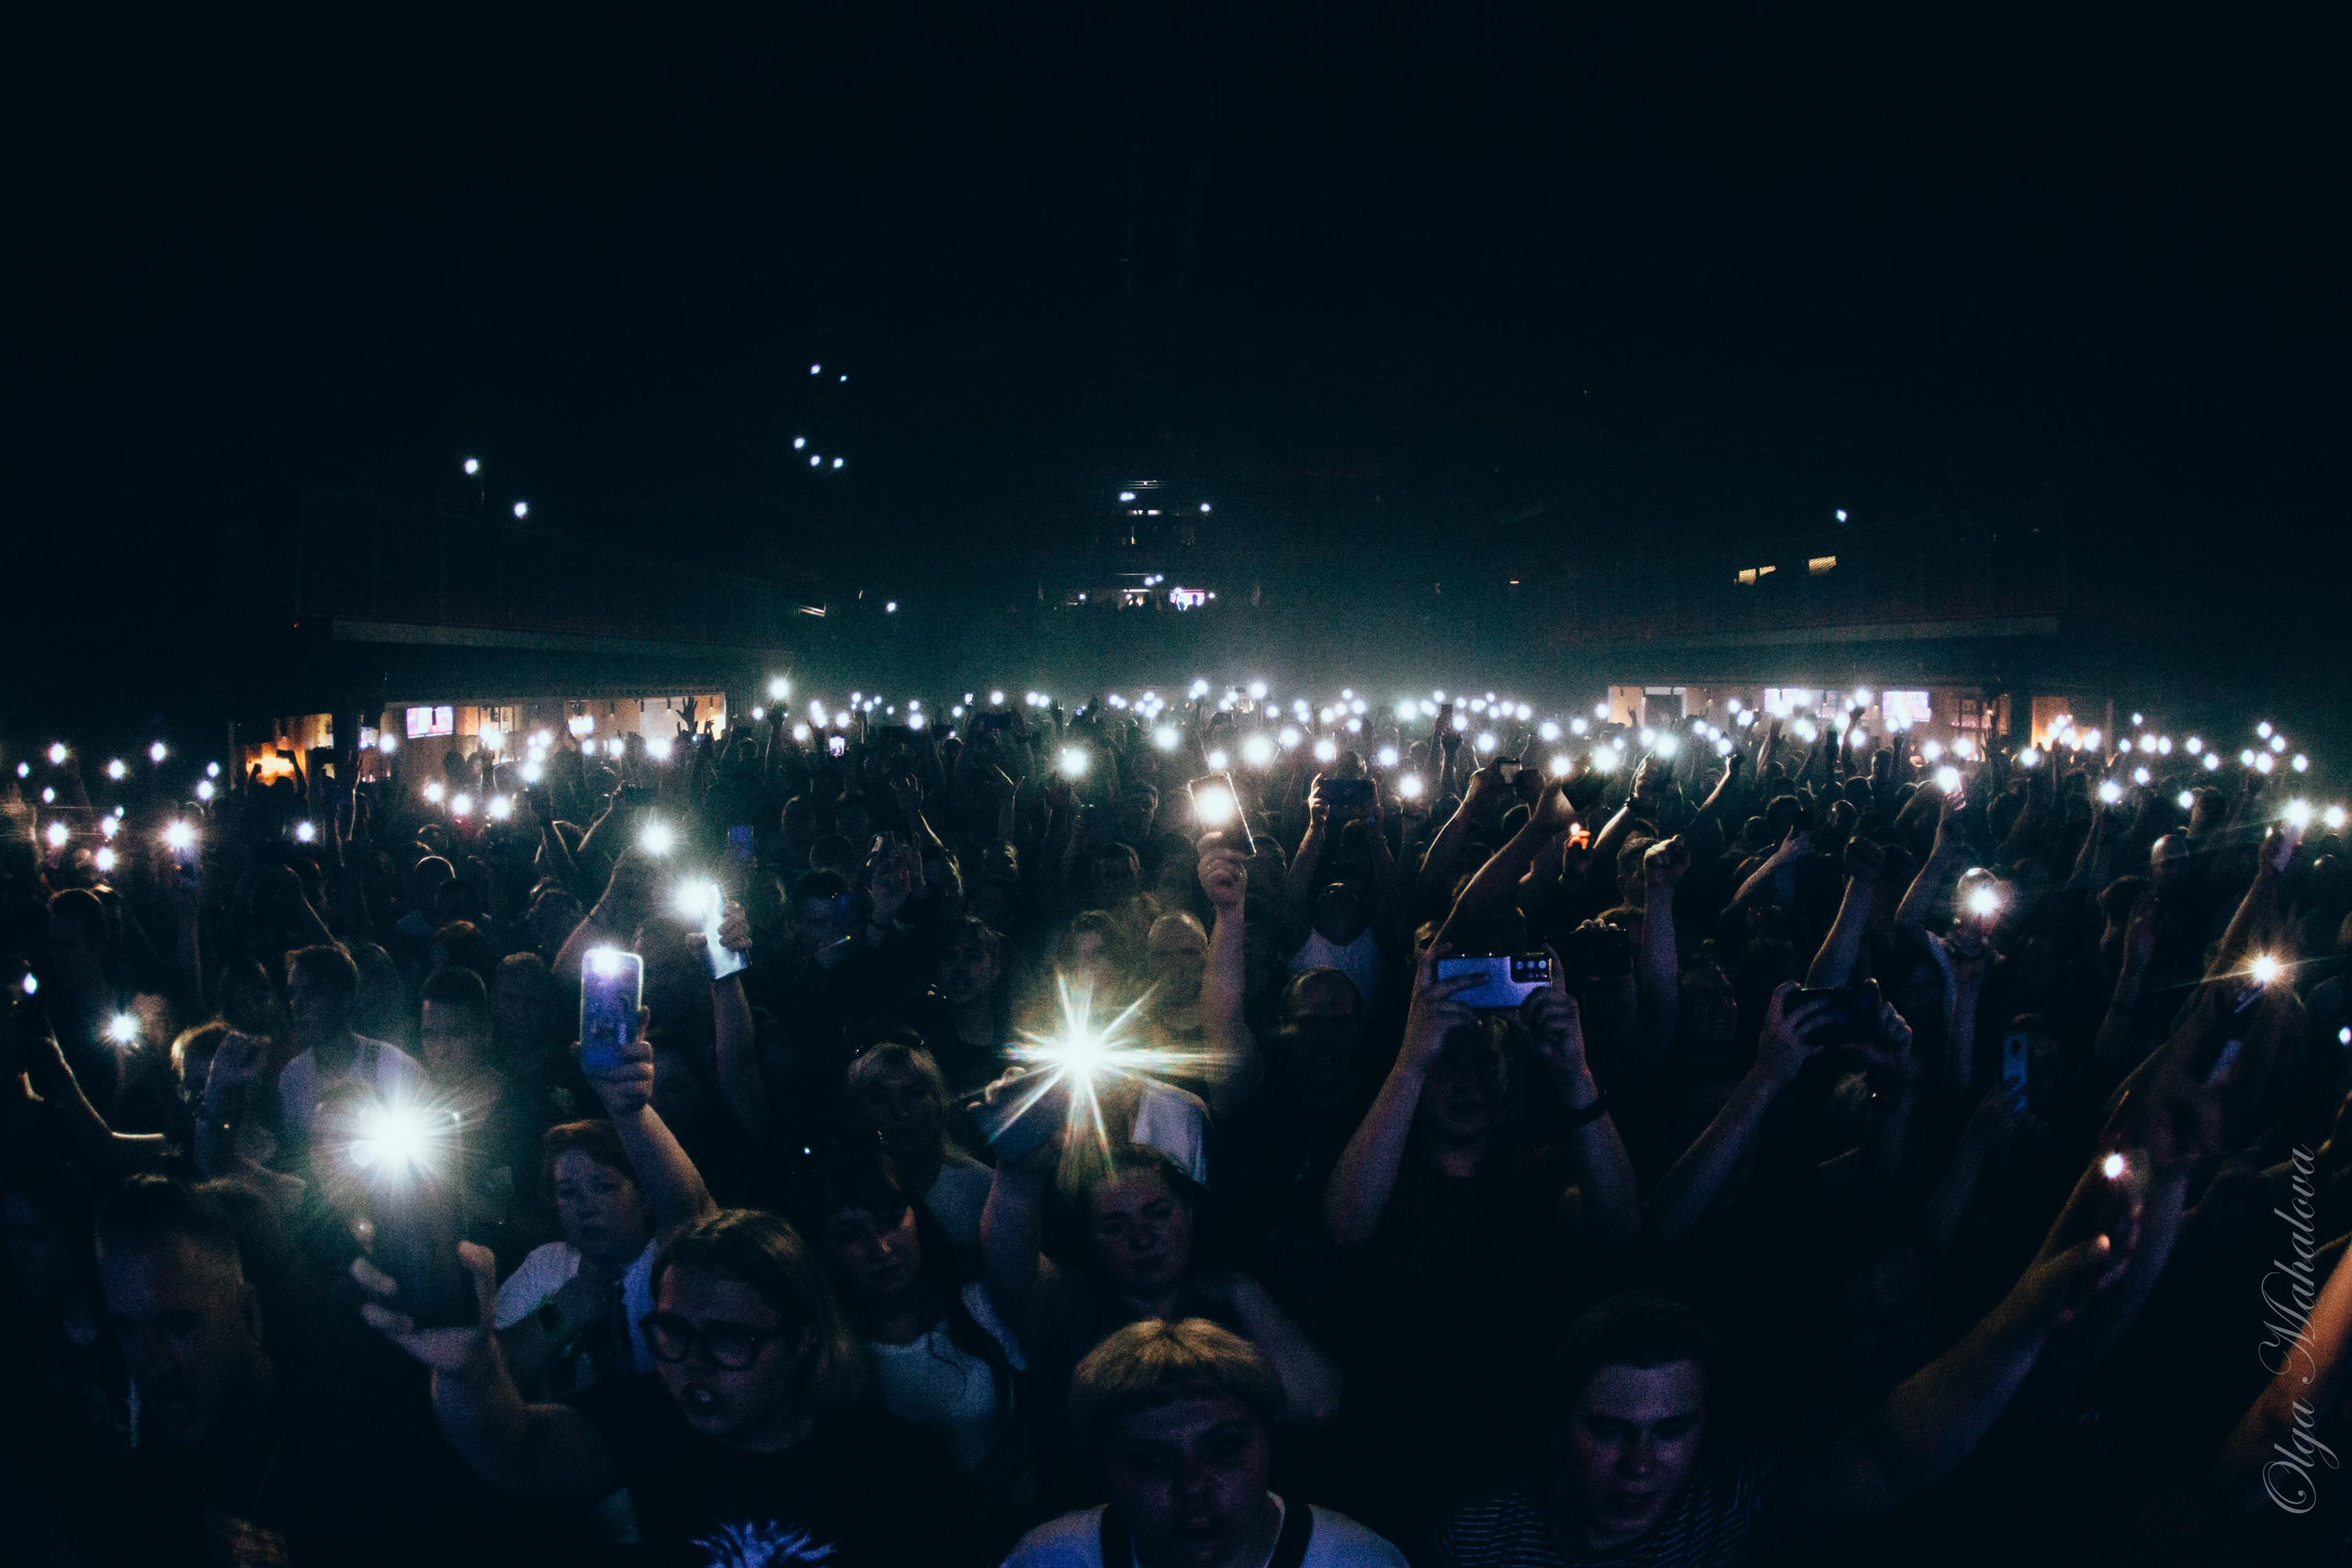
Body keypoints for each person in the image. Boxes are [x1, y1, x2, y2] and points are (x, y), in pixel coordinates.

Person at [357, 1206, 973, 1565]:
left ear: (802, 1339)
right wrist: (465, 1364)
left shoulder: (896, 1465)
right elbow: (511, 1448)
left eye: (728, 1338)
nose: (691, 1366)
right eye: (672, 1331)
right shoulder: (649, 1417)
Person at [1002, 1317, 1407, 1568]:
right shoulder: (1050, 1559)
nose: (1193, 1485)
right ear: (1101, 1466)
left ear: (1269, 1443)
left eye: (1224, 1448)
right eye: (1150, 1461)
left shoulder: (1358, 1561)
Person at [494, 1119, 660, 1399]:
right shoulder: (547, 1263)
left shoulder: (665, 1264)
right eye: (568, 1192)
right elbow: (487, 1375)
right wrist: (561, 1311)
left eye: (603, 1187)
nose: (586, 1207)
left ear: (644, 1195)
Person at [276, 942, 428, 1156]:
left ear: (345, 1000)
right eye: (292, 994)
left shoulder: (396, 1069)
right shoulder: (293, 1078)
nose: (297, 1006)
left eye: (310, 993)